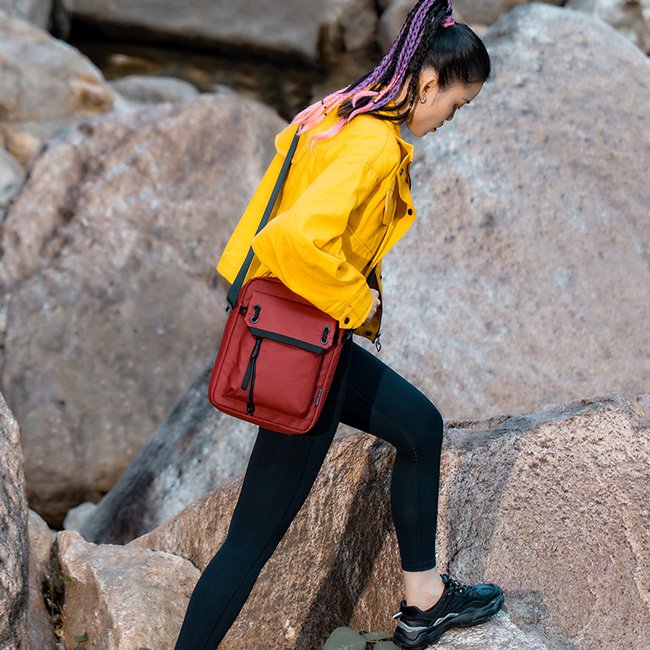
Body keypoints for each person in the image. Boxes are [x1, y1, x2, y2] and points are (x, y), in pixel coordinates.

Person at [174, 1, 504, 648]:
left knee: (419, 427)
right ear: (428, 83)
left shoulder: (344, 114)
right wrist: (362, 305)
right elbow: (292, 239)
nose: (448, 119)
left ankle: (424, 600)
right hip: (306, 345)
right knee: (250, 541)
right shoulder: (374, 147)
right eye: (455, 105)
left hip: (296, 331)